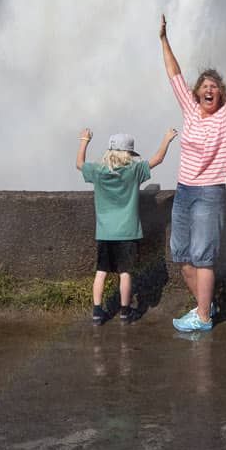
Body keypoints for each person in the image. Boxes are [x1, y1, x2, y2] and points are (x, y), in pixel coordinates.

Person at [159, 14, 226, 333]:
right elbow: (174, 74)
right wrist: (163, 39)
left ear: (220, 93)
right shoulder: (189, 112)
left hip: (210, 193)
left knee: (203, 258)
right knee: (182, 256)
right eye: (204, 86)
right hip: (184, 191)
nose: (208, 89)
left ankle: (203, 318)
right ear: (196, 93)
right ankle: (207, 306)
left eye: (214, 87)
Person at [77, 127, 176, 325]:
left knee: (101, 272)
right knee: (125, 273)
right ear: (128, 154)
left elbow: (79, 164)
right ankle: (124, 313)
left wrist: (84, 140)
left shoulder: (97, 171)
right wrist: (167, 139)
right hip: (127, 233)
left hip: (105, 232)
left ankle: (97, 313)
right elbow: (157, 159)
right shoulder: (134, 171)